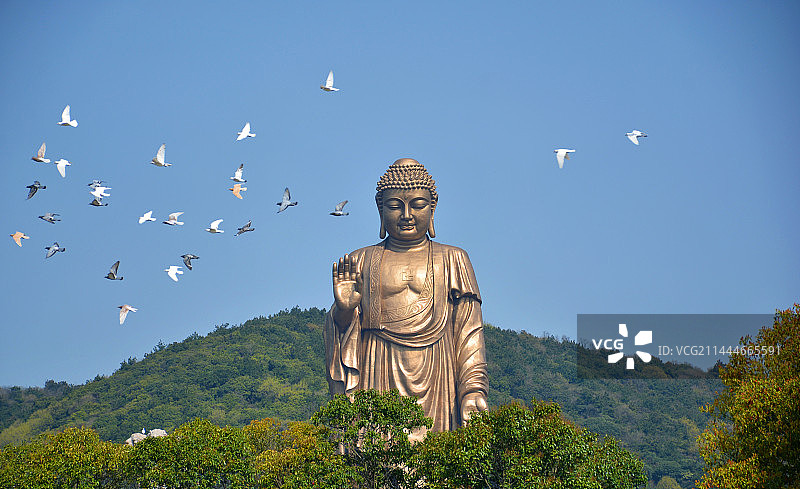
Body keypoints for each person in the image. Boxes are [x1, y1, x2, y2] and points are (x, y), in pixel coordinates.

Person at [324, 158, 488, 435]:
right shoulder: (361, 261)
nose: (407, 215)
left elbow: (469, 335)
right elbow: (342, 336)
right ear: (380, 210)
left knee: (437, 467)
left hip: (438, 377)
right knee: (377, 469)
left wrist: (472, 389)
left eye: (418, 205)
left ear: (432, 208)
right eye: (395, 206)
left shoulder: (452, 259)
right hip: (377, 373)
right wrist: (343, 311)